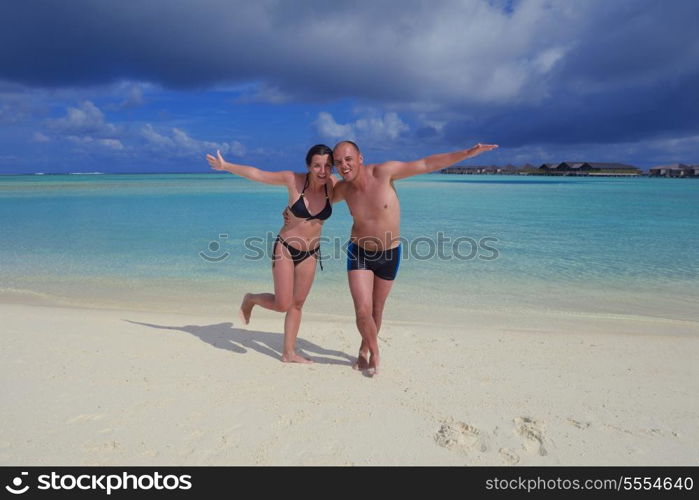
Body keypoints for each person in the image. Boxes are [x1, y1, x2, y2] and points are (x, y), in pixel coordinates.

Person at [331, 140, 498, 376]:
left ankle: (364, 348)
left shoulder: (384, 173)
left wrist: (468, 153)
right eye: (338, 162)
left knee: (377, 309)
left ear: (360, 158)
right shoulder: (343, 189)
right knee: (362, 310)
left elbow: (426, 163)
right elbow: (316, 202)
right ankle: (376, 351)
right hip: (359, 252)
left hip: (390, 253)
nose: (344, 165)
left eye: (348, 159)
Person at [206, 145, 336, 363]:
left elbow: (360, 189)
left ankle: (288, 353)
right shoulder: (293, 180)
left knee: (297, 304)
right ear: (308, 166)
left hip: (311, 252)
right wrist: (226, 166)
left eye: (327, 166)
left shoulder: (332, 186)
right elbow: (258, 174)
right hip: (285, 247)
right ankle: (251, 299)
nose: (322, 171)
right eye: (317, 165)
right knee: (282, 304)